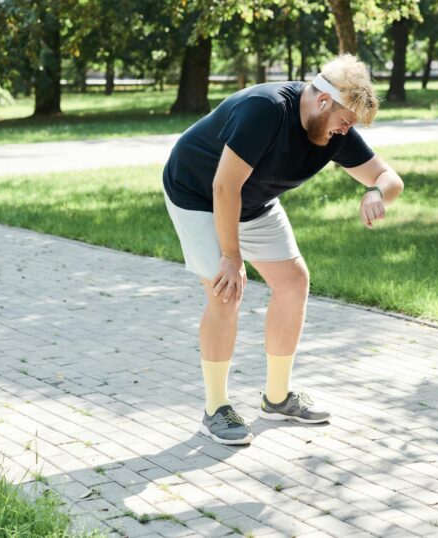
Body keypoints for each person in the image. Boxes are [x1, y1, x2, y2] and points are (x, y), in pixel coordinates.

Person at [162, 54, 404, 445]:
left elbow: (390, 178)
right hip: (198, 193)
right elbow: (224, 187)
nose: (346, 133)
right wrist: (231, 255)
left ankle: (276, 398)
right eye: (345, 122)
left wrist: (376, 192)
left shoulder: (333, 132)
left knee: (293, 281)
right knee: (226, 292)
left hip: (254, 201)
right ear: (324, 101)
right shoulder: (266, 110)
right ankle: (216, 408)